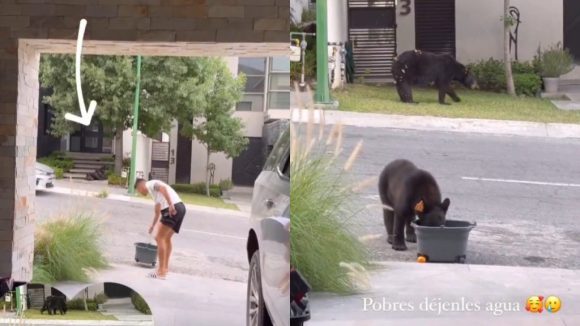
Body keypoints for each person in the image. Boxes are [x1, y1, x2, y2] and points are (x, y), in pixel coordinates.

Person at [135, 178, 186, 280]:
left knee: (159, 238)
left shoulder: (150, 184)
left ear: (140, 186)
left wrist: (171, 204)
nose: (140, 193)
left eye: (138, 190)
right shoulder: (155, 194)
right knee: (166, 239)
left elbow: (162, 188)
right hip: (181, 208)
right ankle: (165, 269)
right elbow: (157, 211)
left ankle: (161, 272)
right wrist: (153, 225)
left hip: (172, 207)